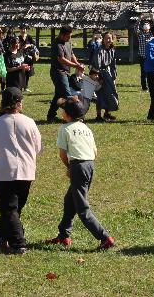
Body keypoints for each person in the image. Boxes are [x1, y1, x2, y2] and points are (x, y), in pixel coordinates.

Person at [44, 97, 115, 250]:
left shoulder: (65, 129)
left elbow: (63, 154)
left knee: (82, 208)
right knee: (70, 200)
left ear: (68, 114)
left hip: (78, 166)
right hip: (90, 165)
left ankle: (105, 237)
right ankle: (63, 235)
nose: (61, 112)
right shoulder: (86, 128)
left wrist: (70, 168)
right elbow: (95, 152)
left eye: (63, 110)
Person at [0, 87, 43, 254]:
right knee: (14, 208)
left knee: (9, 208)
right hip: (26, 170)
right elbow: (39, 148)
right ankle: (2, 235)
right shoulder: (30, 122)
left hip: (5, 171)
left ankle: (18, 242)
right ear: (19, 103)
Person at [47, 26, 85, 123]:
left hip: (66, 72)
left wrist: (77, 64)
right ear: (62, 35)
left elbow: (72, 54)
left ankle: (51, 116)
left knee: (59, 95)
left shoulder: (68, 41)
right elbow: (61, 59)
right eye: (68, 36)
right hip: (58, 72)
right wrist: (75, 65)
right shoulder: (56, 43)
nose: (69, 38)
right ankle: (74, 116)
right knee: (68, 95)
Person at [88, 32, 119, 122]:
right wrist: (98, 78)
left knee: (110, 93)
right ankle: (98, 115)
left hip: (108, 73)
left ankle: (107, 113)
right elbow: (96, 64)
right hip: (99, 73)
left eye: (110, 38)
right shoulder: (99, 50)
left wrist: (114, 76)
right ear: (103, 40)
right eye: (106, 38)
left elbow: (113, 64)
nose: (108, 40)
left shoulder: (112, 50)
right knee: (100, 94)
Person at [136, 21, 151, 91]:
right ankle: (144, 87)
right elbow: (135, 28)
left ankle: (150, 85)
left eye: (147, 24)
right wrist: (139, 19)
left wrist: (152, 19)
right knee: (143, 72)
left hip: (150, 56)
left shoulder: (151, 34)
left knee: (150, 72)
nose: (146, 25)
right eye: (144, 24)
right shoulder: (140, 34)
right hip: (142, 56)